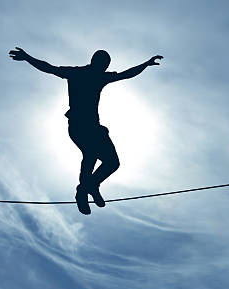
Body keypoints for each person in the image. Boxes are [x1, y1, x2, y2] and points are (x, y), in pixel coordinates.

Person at [9, 47, 163, 214]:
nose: (104, 68)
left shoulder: (100, 76)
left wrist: (145, 64)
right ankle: (82, 192)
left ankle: (92, 185)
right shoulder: (77, 73)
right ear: (95, 62)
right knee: (90, 154)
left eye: (106, 66)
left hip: (95, 128)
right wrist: (27, 57)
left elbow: (126, 74)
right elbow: (49, 68)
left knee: (113, 163)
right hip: (78, 126)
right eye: (103, 65)